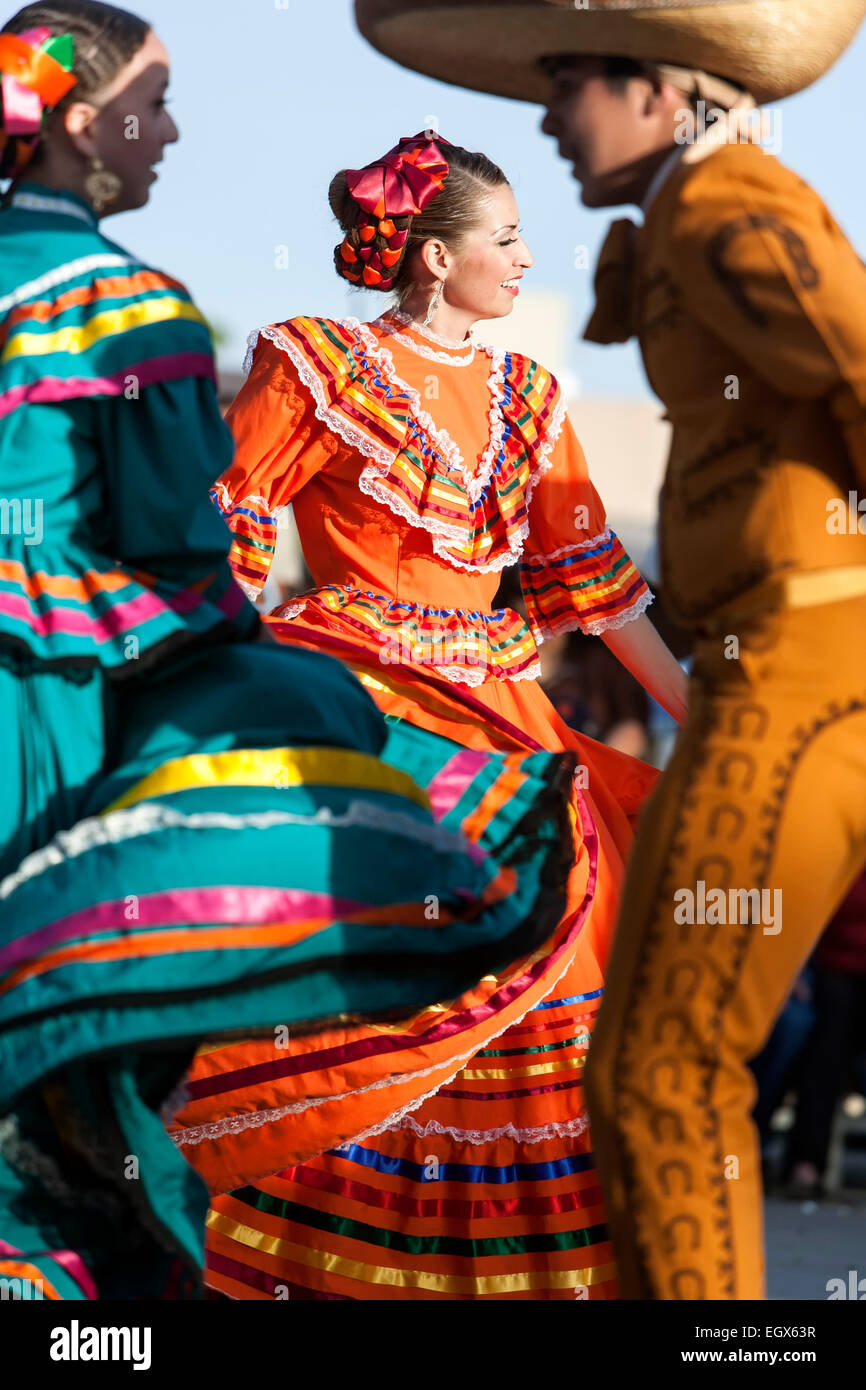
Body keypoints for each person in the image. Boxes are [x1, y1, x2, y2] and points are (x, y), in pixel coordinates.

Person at [0, 4, 578, 1300]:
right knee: (59, 1038)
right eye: (154, 109)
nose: (173, 132)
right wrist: (269, 674)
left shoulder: (526, 400)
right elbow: (186, 536)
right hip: (44, 705)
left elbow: (580, 575)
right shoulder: (130, 307)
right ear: (83, 131)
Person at [355, 0, 866, 1298]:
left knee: (660, 1070)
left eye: (570, 79)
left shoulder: (717, 205)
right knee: (649, 1066)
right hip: (778, 672)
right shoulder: (699, 206)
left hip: (802, 674)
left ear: (657, 89)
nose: (543, 114)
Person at [197, 130, 687, 1300]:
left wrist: (704, 715)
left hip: (507, 717)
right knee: (379, 981)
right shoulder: (314, 361)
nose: (525, 258)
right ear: (427, 256)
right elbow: (226, 526)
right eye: (503, 237)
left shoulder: (529, 395)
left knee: (549, 973)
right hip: (362, 704)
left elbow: (593, 586)